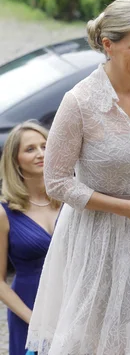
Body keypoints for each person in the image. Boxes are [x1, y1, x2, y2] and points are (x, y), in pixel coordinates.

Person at [25, 0, 130, 355]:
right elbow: (57, 181)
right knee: (104, 343)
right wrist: (125, 209)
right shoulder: (80, 102)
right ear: (108, 44)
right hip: (98, 240)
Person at [0, 122, 61, 355]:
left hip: (72, 303)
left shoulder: (70, 202)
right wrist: (34, 322)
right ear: (15, 160)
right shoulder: (5, 213)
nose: (41, 154)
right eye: (30, 149)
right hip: (30, 309)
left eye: (45, 146)